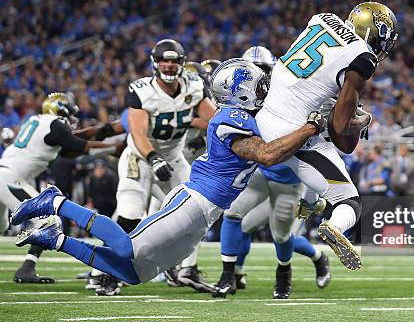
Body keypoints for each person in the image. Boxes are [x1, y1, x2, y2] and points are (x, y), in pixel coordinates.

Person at [10, 59, 327, 294]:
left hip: (205, 215)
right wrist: (310, 127)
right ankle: (57, 202)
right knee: (127, 249)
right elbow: (270, 153)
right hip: (193, 202)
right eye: (258, 85)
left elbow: (280, 131)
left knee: (133, 273)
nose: (264, 90)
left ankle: (56, 239)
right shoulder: (230, 118)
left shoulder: (247, 116)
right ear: (240, 92)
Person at [255, 2, 398, 270]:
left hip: (264, 113)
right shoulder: (363, 58)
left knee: (320, 148)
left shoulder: (323, 18)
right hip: (293, 132)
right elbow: (340, 129)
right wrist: (364, 120)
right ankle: (333, 224)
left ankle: (312, 202)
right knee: (349, 199)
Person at [95, 39, 218, 295]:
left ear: (183, 64)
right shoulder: (142, 91)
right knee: (130, 215)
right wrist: (153, 158)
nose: (170, 66)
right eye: (165, 60)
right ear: (155, 62)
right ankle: (108, 272)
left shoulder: (195, 86)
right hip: (140, 158)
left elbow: (215, 119)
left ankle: (188, 269)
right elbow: (138, 133)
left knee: (196, 212)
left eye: (175, 61)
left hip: (173, 159)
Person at [216, 46, 330, 299]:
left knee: (281, 234)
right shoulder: (241, 100)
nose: (257, 77)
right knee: (234, 215)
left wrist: (311, 196)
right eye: (251, 72)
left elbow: (315, 144)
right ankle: (229, 274)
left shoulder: (290, 95)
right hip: (260, 173)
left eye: (263, 70)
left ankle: (286, 273)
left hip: (289, 181)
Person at [0, 93, 122, 284]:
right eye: (70, 113)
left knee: (2, 227)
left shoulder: (39, 122)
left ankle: (27, 267)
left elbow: (70, 147)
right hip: (10, 179)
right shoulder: (53, 123)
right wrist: (115, 148)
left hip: (6, 175)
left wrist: (105, 131)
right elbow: (77, 145)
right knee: (49, 219)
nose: (72, 118)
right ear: (61, 110)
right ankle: (27, 268)